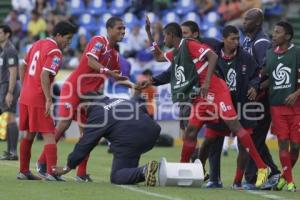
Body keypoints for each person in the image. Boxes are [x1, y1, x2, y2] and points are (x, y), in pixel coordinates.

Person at [142, 17, 269, 188]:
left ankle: (262, 167)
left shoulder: (189, 44)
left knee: (234, 125)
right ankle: (183, 168)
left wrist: (208, 81)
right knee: (191, 131)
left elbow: (213, 56)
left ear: (172, 35)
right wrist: (149, 33)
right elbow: (157, 57)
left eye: (165, 37)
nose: (164, 40)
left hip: (217, 89)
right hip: (202, 95)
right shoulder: (177, 52)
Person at [36, 16, 134, 182]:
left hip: (90, 96)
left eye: (124, 29)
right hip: (74, 88)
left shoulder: (115, 56)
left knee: (89, 133)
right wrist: (108, 72)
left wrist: (135, 86)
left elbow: (119, 78)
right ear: (109, 29)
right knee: (63, 125)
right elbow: (90, 60)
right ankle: (42, 163)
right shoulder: (98, 41)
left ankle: (81, 173)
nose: (123, 31)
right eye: (119, 28)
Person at [52, 94, 161, 186]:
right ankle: (145, 172)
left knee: (117, 177)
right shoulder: (117, 100)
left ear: (86, 104)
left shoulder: (97, 113)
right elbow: (142, 108)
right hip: (153, 132)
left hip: (130, 141)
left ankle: (144, 170)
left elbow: (85, 143)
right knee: (127, 170)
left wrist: (68, 167)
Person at [17, 20, 77, 180]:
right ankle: (52, 172)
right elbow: (44, 75)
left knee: (29, 134)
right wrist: (48, 99)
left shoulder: (37, 43)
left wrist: (25, 87)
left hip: (26, 95)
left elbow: (22, 66)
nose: (69, 42)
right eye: (67, 38)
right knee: (49, 133)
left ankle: (23, 171)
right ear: (58, 35)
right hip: (38, 97)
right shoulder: (55, 52)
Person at [203, 25, 260, 189]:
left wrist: (254, 86)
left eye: (238, 38)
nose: (236, 41)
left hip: (242, 105)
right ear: (223, 39)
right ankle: (214, 179)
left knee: (244, 143)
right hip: (219, 105)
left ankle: (237, 181)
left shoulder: (245, 57)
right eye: (232, 39)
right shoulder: (213, 55)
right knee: (213, 140)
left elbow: (257, 74)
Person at [242, 8, 280, 189]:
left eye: (248, 19)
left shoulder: (261, 42)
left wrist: (257, 87)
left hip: (261, 98)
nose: (244, 21)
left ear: (257, 22)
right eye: (244, 18)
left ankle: (251, 178)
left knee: (254, 137)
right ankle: (274, 171)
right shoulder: (248, 40)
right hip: (251, 97)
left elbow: (266, 70)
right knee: (254, 137)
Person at [263, 21, 300, 192]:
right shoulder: (269, 54)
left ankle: (284, 178)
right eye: (274, 31)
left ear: (287, 36)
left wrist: (296, 93)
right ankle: (290, 182)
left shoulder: (297, 52)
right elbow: (268, 78)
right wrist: (256, 88)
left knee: (296, 146)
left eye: (277, 32)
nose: (273, 34)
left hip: (296, 108)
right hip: (277, 107)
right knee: (283, 144)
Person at [0, 25, 20, 161]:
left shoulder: (10, 50)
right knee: (6, 117)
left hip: (9, 86)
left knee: (11, 116)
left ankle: (13, 152)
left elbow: (13, 72)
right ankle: (9, 151)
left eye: (0, 32)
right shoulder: (3, 50)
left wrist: (10, 92)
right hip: (4, 85)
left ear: (7, 34)